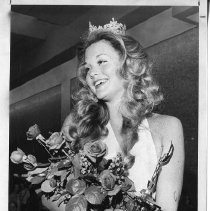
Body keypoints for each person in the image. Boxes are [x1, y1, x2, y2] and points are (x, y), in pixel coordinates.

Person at [42, 19, 184, 211]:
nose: (92, 73)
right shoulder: (77, 124)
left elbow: (167, 206)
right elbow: (47, 196)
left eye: (101, 62)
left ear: (128, 64)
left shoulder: (167, 127)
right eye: (87, 68)